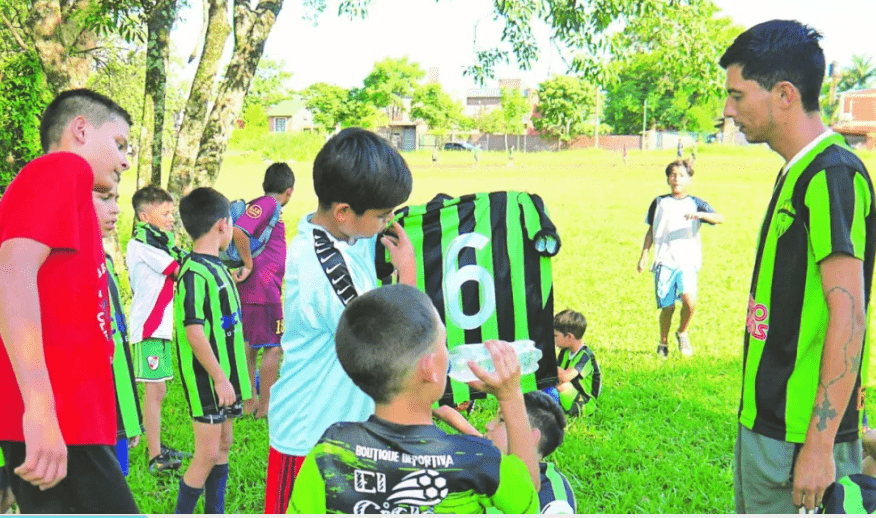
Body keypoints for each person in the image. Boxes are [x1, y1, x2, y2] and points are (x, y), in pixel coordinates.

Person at [721, 20, 876, 513]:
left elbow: (849, 314)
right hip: (769, 426)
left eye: (737, 95)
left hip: (797, 439)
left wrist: (820, 445)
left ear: (784, 94)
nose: (727, 110)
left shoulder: (831, 174)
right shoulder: (797, 170)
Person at [0, 88, 139, 512]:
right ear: (80, 129)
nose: (125, 161)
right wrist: (40, 410)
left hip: (74, 425)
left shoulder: (72, 201)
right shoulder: (63, 168)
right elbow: (10, 273)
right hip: (60, 423)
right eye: (119, 144)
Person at [287, 284, 541, 514]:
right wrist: (510, 397)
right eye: (443, 343)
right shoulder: (479, 459)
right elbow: (528, 496)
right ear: (430, 369)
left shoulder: (331, 451)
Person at [265, 128, 416, 513]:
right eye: (382, 215)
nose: (389, 221)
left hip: (345, 429)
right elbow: (392, 343)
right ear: (343, 212)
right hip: (309, 438)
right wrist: (408, 275)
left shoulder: (344, 235)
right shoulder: (326, 269)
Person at [173, 187, 251, 514]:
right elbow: (194, 332)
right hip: (208, 379)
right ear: (222, 224)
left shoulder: (218, 266)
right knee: (206, 454)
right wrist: (219, 378)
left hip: (226, 378)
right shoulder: (194, 273)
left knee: (223, 445)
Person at [126, 184, 188, 473]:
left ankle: (158, 448)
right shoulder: (143, 246)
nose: (170, 219)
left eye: (171, 213)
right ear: (144, 217)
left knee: (159, 390)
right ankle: (154, 458)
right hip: (148, 327)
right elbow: (179, 270)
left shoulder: (157, 243)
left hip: (159, 328)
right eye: (165, 214)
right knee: (155, 391)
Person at [637, 159, 723, 358]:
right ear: (668, 178)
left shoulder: (696, 203)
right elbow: (651, 230)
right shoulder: (659, 202)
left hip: (687, 261)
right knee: (667, 307)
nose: (677, 179)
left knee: (689, 300)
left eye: (682, 175)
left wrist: (700, 215)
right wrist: (644, 254)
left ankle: (682, 332)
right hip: (664, 261)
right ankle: (663, 342)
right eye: (673, 175)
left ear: (689, 179)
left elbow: (720, 218)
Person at [232, 162, 294, 419]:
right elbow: (240, 230)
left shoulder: (265, 204)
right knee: (273, 346)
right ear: (289, 191)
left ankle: (250, 402)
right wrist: (248, 263)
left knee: (250, 344)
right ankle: (264, 406)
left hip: (258, 288)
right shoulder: (268, 204)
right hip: (264, 288)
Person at [95, 182, 144, 478]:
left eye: (116, 199)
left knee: (118, 482)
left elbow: (118, 345)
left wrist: (129, 417)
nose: (115, 209)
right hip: (85, 423)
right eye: (104, 198)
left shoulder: (105, 262)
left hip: (116, 415)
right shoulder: (60, 267)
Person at [486, 390, 577, 513]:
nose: (488, 425)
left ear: (529, 437)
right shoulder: (484, 469)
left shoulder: (552, 493)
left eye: (502, 420)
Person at [552, 310, 601, 417]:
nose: (553, 339)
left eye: (555, 336)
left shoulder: (585, 357)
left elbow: (565, 377)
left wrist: (546, 361)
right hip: (570, 393)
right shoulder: (565, 352)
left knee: (562, 385)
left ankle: (558, 409)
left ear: (569, 336)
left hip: (584, 403)